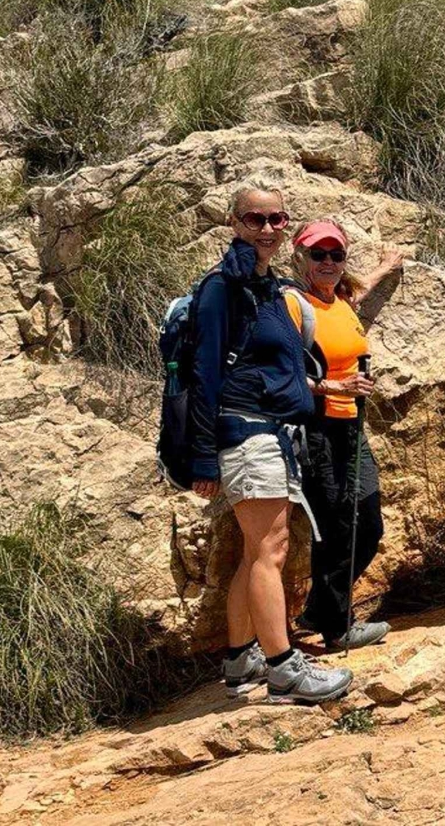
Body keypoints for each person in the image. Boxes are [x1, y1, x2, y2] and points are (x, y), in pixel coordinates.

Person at [190, 187, 352, 703]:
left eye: (275, 219)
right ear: (234, 223)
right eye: (254, 219)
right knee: (271, 551)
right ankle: (284, 669)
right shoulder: (224, 287)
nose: (265, 228)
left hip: (269, 433)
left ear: (286, 226)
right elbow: (203, 373)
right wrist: (200, 457)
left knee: (253, 553)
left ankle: (240, 659)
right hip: (245, 433)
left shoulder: (268, 288)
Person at [286, 219, 404, 650]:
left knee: (367, 524)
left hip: (352, 426)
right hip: (317, 428)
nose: (329, 262)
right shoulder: (293, 305)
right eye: (319, 255)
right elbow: (279, 371)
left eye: (337, 255)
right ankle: (337, 629)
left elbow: (357, 291)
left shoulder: (339, 301)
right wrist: (331, 387)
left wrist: (387, 267)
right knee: (336, 527)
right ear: (299, 258)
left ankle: (320, 609)